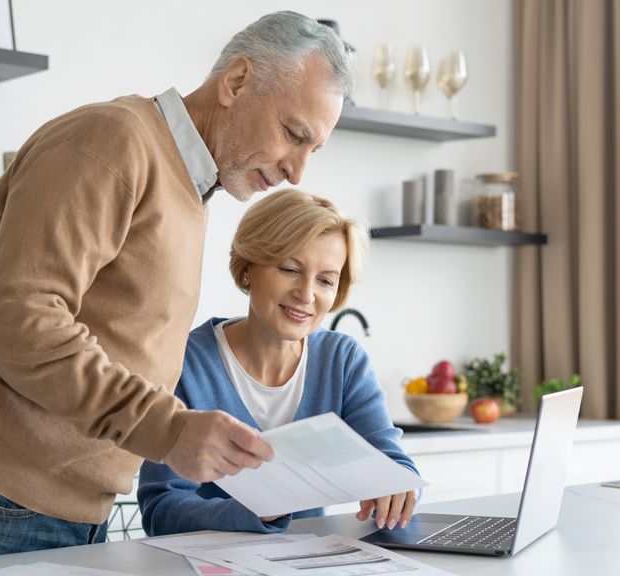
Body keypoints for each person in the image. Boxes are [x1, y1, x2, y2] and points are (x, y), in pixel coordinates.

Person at [0, 12, 352, 565]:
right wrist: (167, 428)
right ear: (237, 82)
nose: (298, 171)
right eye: (294, 134)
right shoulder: (112, 142)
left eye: (313, 150)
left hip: (74, 510)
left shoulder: (189, 187)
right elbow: (17, 317)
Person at [138, 190, 419, 535]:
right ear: (247, 269)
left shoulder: (342, 361)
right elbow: (161, 509)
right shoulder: (185, 362)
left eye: (326, 280)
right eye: (289, 269)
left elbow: (391, 461)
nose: (306, 294)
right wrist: (256, 512)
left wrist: (399, 487)